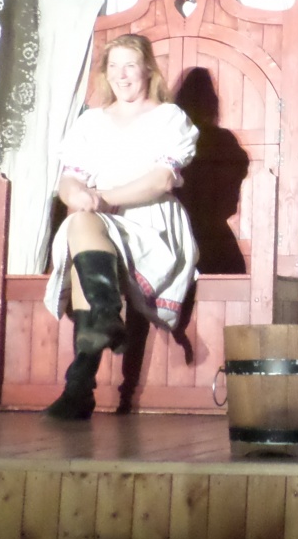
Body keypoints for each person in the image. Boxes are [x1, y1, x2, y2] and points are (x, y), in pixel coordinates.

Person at [41, 33, 200, 420]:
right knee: (82, 224)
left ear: (147, 69)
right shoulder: (91, 121)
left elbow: (162, 180)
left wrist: (103, 197)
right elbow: (68, 180)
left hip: (150, 221)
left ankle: (79, 386)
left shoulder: (169, 118)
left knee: (83, 229)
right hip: (98, 220)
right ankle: (105, 315)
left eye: (130, 65)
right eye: (114, 67)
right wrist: (77, 195)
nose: (121, 75)